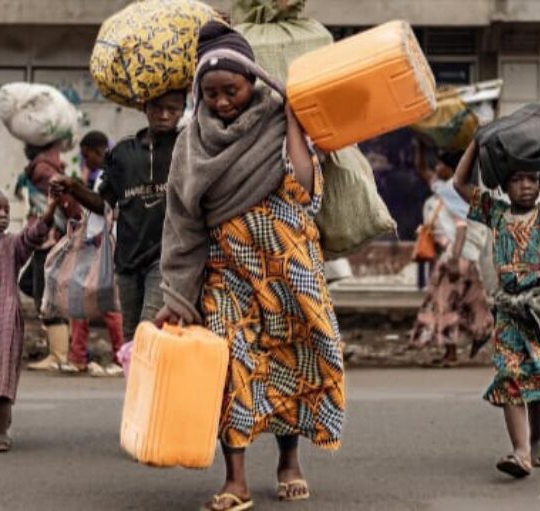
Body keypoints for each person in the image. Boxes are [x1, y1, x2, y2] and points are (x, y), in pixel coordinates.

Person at [155, 22, 345, 510]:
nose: (221, 102)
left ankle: (289, 460)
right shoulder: (190, 145)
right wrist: (176, 297)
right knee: (231, 365)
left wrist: (297, 124)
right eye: (210, 93)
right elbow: (182, 225)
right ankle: (235, 478)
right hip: (229, 273)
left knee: (291, 360)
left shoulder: (278, 119)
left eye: (231, 90)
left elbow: (306, 188)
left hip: (290, 266)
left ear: (253, 81)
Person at [453, 125, 540, 478]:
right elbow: (459, 185)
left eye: (532, 179)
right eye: (517, 179)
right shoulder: (495, 212)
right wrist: (473, 144)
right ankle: (520, 451)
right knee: (511, 376)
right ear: (504, 185)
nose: (525, 186)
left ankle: (539, 435)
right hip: (510, 311)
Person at [50, 90, 186, 346]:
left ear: (183, 109)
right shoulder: (123, 153)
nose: (165, 115)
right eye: (158, 107)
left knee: (149, 331)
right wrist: (74, 187)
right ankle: (135, 386)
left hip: (166, 258)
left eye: (173, 109)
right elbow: (105, 205)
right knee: (130, 340)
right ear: (145, 107)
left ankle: (150, 385)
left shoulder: (187, 146)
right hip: (128, 259)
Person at [411, 141, 493, 366]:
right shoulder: (451, 188)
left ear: (451, 168)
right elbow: (422, 171)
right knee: (471, 301)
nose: (436, 168)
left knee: (446, 303)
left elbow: (461, 227)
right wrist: (420, 145)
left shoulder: (455, 191)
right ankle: (483, 330)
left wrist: (454, 259)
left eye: (440, 165)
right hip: (467, 257)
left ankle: (451, 353)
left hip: (457, 256)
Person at [0, 188, 57, 452]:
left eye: (6, 210)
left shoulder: (10, 246)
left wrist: (50, 210)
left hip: (3, 318)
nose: (3, 215)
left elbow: (33, 235)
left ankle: (0, 430)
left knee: (1, 377)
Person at [59, 131, 124, 377]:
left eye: (88, 157)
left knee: (105, 303)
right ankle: (78, 357)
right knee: (81, 300)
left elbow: (111, 210)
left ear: (99, 152)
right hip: (96, 244)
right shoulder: (102, 176)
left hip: (105, 245)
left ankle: (119, 357)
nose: (87, 162)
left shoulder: (114, 174)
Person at [23, 141, 81, 372]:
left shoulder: (42, 169)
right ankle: (58, 346)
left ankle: (58, 355)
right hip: (46, 239)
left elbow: (65, 200)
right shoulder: (49, 166)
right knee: (28, 284)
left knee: (48, 298)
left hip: (49, 240)